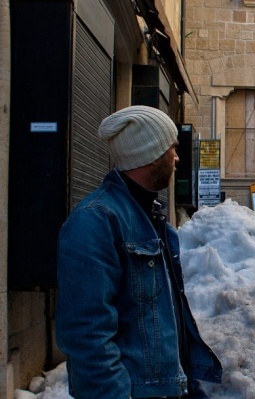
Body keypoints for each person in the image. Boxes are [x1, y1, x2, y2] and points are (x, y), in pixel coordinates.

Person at [56, 106, 223, 398]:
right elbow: (87, 336)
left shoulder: (153, 220)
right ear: (151, 154)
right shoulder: (95, 221)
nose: (177, 157)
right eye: (172, 148)